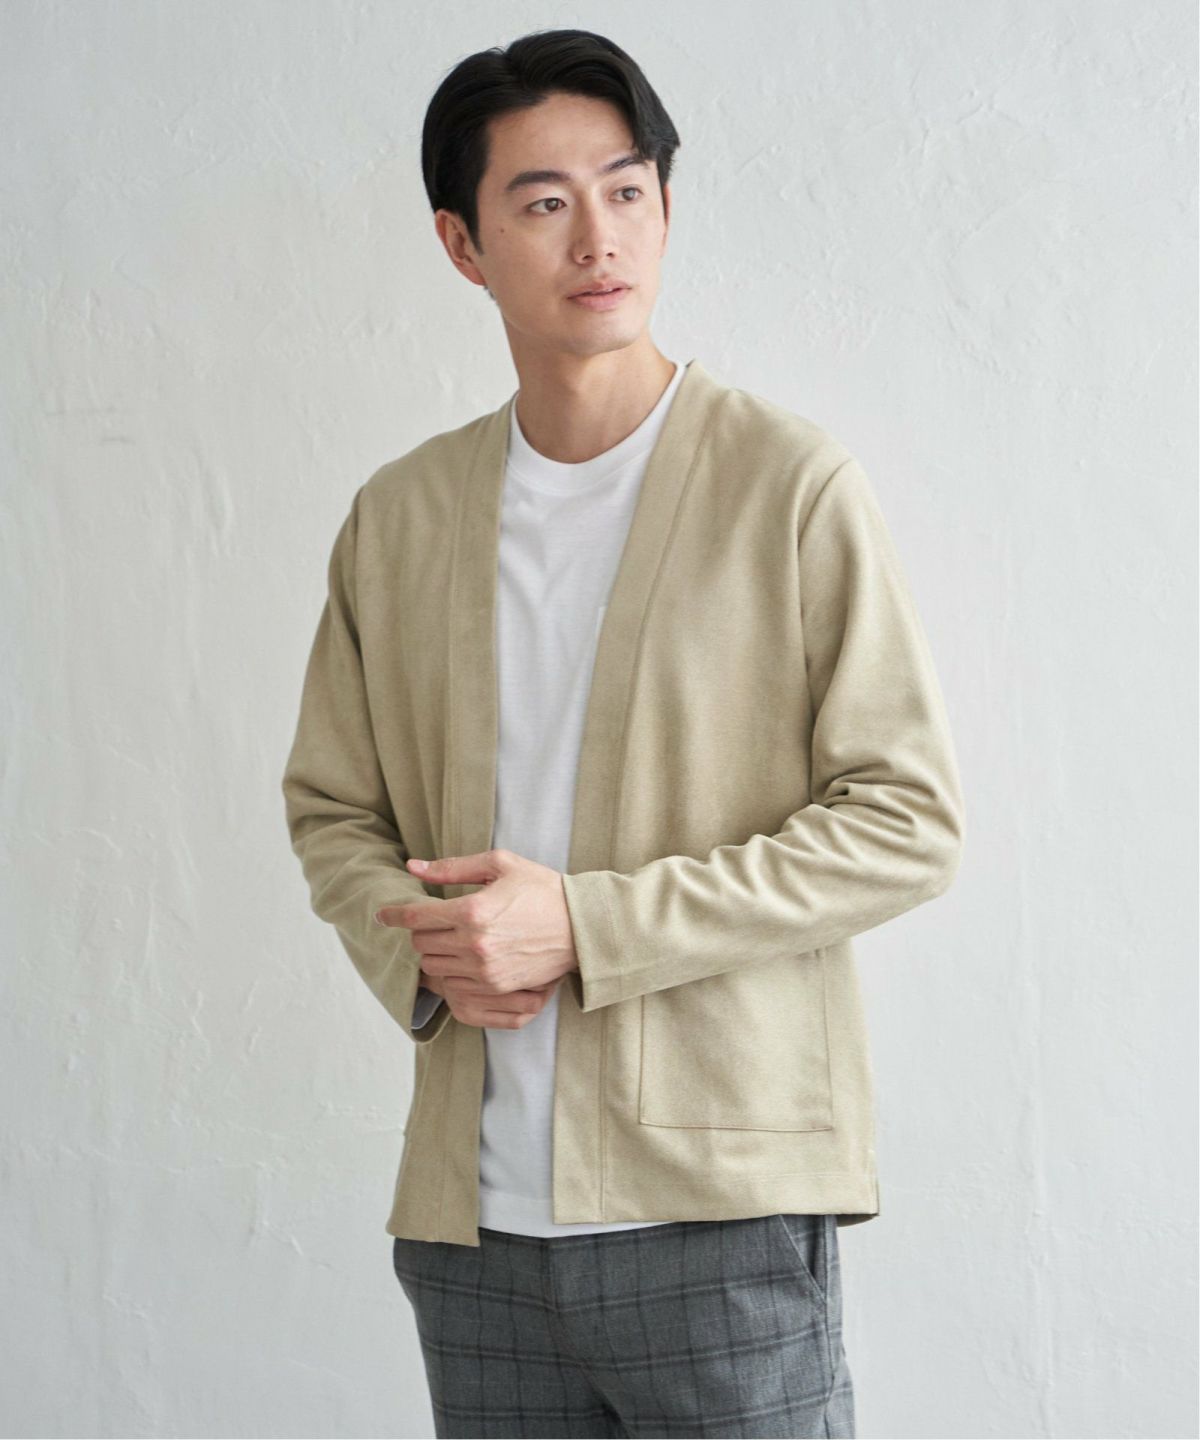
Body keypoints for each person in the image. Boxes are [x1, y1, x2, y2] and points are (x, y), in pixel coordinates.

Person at [281, 26, 965, 1440]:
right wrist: (425, 951)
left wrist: (587, 926)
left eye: (628, 188)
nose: (598, 236)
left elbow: (905, 821)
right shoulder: (401, 518)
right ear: (463, 245)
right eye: (544, 201)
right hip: (474, 1236)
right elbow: (334, 809)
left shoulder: (787, 486)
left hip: (715, 1210)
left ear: (663, 205)